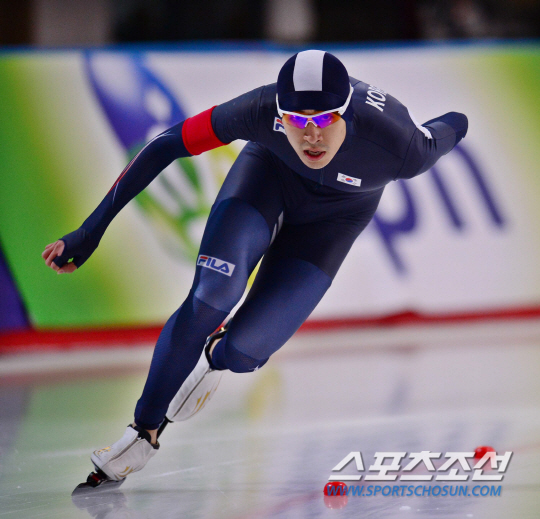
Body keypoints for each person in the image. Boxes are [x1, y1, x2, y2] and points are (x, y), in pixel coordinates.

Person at [42, 50, 468, 483]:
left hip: (334, 222)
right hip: (266, 181)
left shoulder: (402, 145)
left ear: (347, 113)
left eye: (324, 120)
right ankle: (144, 430)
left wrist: (460, 117)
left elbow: (454, 123)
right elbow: (166, 144)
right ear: (280, 113)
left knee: (244, 353)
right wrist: (91, 230)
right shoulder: (260, 110)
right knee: (212, 295)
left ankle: (217, 352)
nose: (311, 136)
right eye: (297, 121)